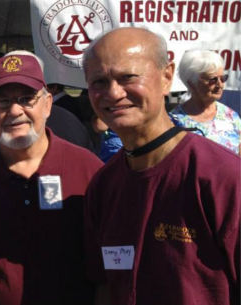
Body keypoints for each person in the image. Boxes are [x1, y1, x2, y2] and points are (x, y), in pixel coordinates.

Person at [82, 27, 240, 305]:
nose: (113, 93)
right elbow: (105, 285)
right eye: (99, 82)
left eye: (127, 77)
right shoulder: (104, 185)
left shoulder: (222, 178)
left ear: (167, 76)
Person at [0, 51, 103, 305]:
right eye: (3, 101)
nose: (15, 111)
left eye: (26, 99)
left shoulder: (87, 170)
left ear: (48, 104)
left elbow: (104, 271)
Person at [170, 49, 241, 155]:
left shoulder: (230, 115)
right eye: (213, 80)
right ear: (191, 83)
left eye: (223, 78)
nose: (220, 85)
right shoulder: (174, 121)